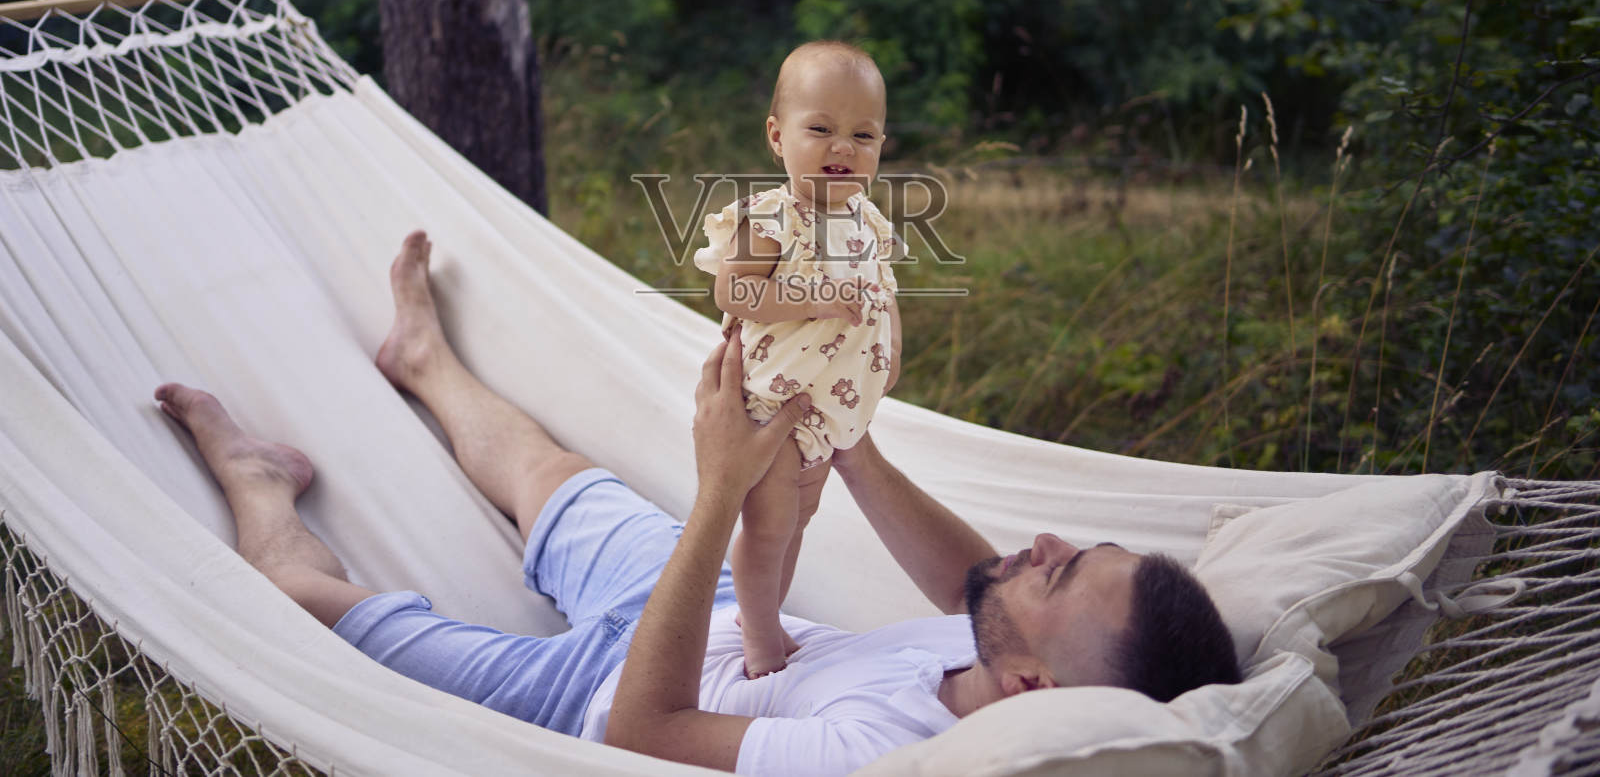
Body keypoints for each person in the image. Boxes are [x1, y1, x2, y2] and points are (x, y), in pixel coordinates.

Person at [154, 231, 1240, 777]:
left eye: (1055, 571)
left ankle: (254, 481)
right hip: (708, 607)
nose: (1038, 545)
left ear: (1033, 682)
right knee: (548, 470)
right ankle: (425, 360)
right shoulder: (997, 670)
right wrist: (849, 446)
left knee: (298, 597)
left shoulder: (878, 751)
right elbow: (970, 574)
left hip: (584, 696)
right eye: (1073, 543)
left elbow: (646, 724)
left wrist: (721, 484)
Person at [692, 39, 902, 676]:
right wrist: (816, 292)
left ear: (880, 147)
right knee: (770, 525)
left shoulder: (869, 223)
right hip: (768, 403)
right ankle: (756, 634)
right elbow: (735, 290)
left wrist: (891, 350)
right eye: (821, 129)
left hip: (826, 416)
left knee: (799, 523)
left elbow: (883, 295)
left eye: (862, 135)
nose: (843, 148)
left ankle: (768, 618)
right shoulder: (770, 216)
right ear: (778, 138)